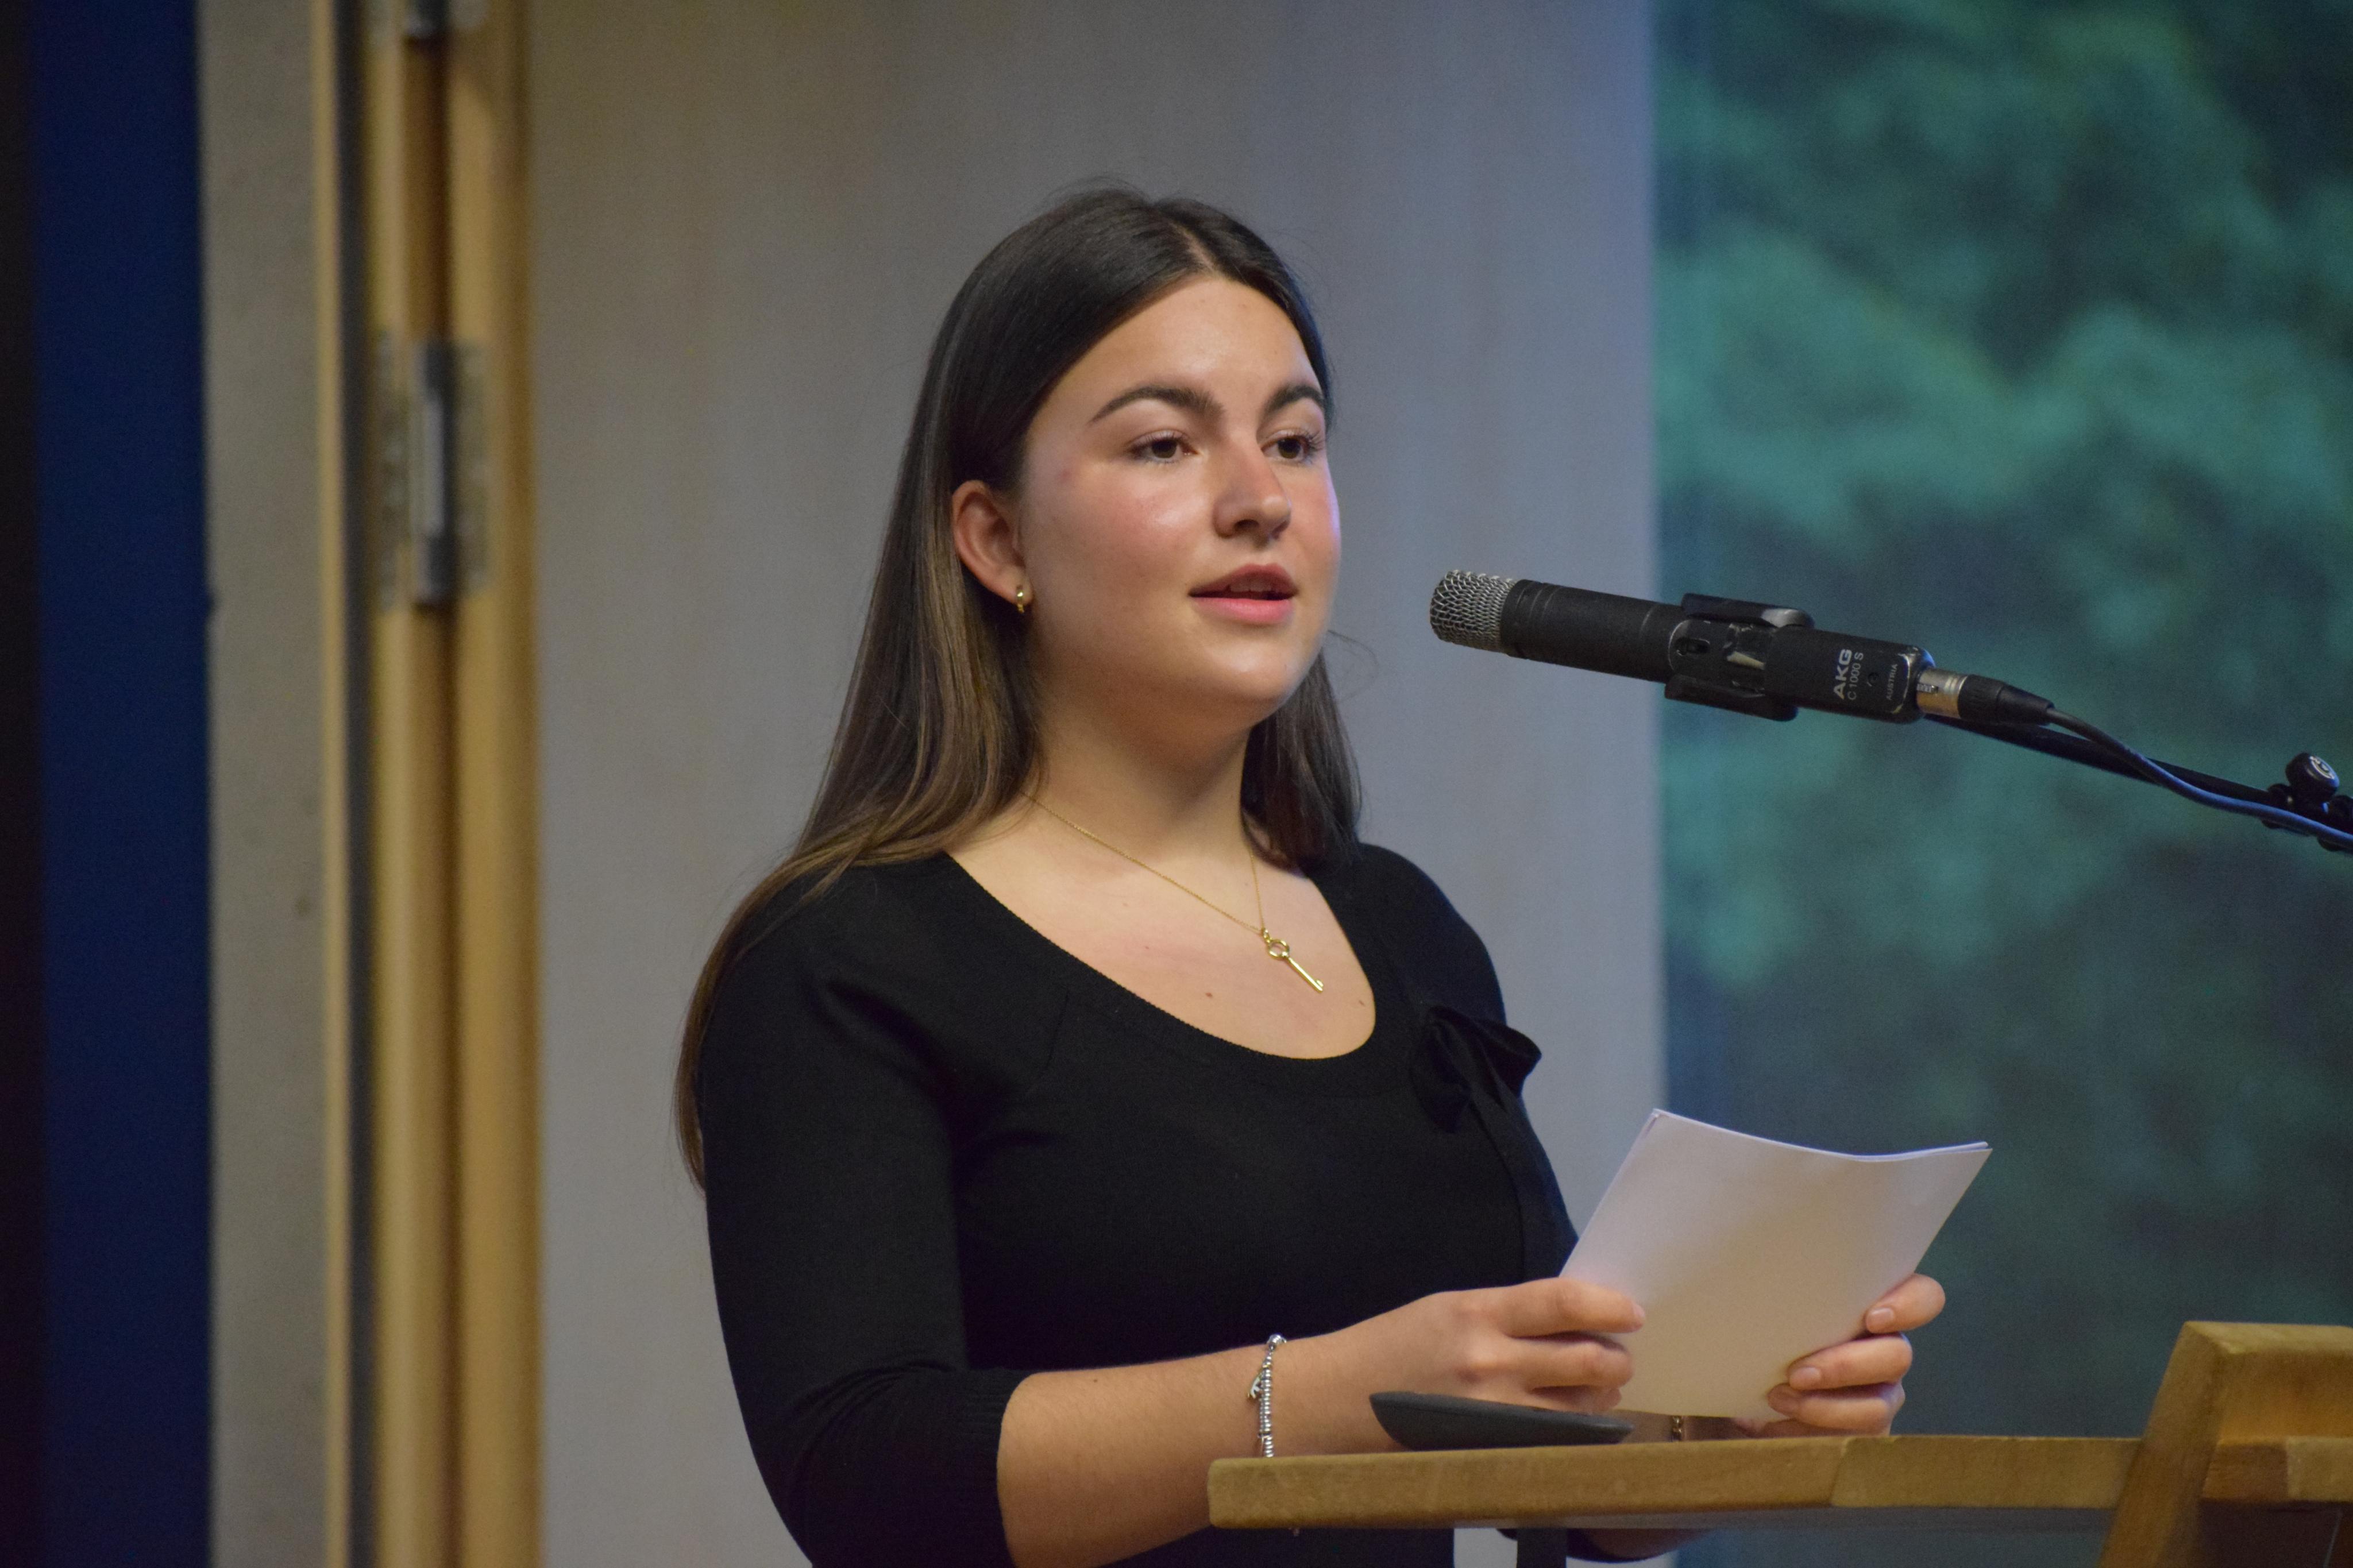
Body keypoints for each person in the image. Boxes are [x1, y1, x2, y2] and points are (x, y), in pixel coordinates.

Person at [680, 189, 1945, 1568]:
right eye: (1165, 445)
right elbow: (863, 1477)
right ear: (994, 540)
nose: (1259, 500)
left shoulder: (1399, 926)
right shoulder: (848, 959)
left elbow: (1548, 1462)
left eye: (1293, 441)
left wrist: (1724, 1426)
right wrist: (1334, 1394)